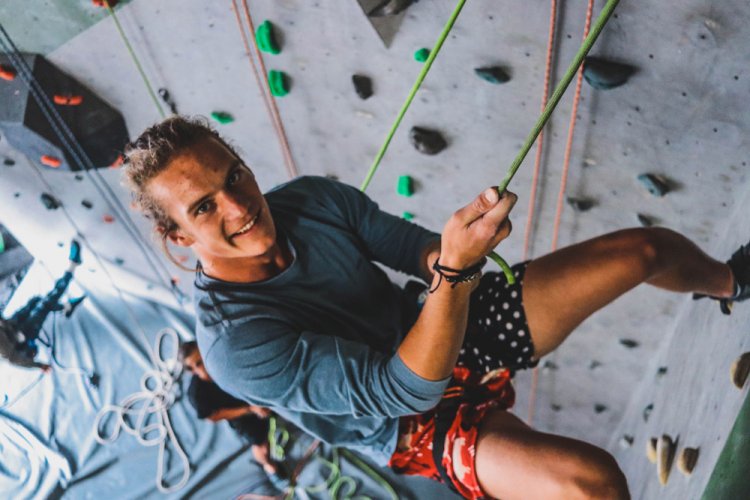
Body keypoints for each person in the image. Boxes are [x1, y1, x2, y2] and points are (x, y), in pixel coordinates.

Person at [123, 116, 746, 500]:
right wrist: (452, 271)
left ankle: (731, 285)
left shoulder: (312, 200)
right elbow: (406, 392)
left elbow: (415, 251)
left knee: (644, 249)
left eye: (234, 176)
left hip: (434, 323)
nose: (237, 206)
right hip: (404, 422)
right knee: (593, 484)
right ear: (178, 236)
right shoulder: (235, 349)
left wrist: (458, 249)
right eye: (203, 207)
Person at [178, 340, 287, 486]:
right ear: (192, 371)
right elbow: (213, 416)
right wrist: (250, 409)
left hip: (253, 393)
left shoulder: (225, 359)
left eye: (204, 356)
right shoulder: (197, 394)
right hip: (242, 413)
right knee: (261, 445)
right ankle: (269, 466)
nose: (205, 364)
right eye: (198, 364)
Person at [0, 240, 86, 372]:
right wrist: (40, 366)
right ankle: (74, 264)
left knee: (35, 301)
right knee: (45, 304)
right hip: (23, 335)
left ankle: (66, 308)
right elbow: (14, 359)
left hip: (11, 323)